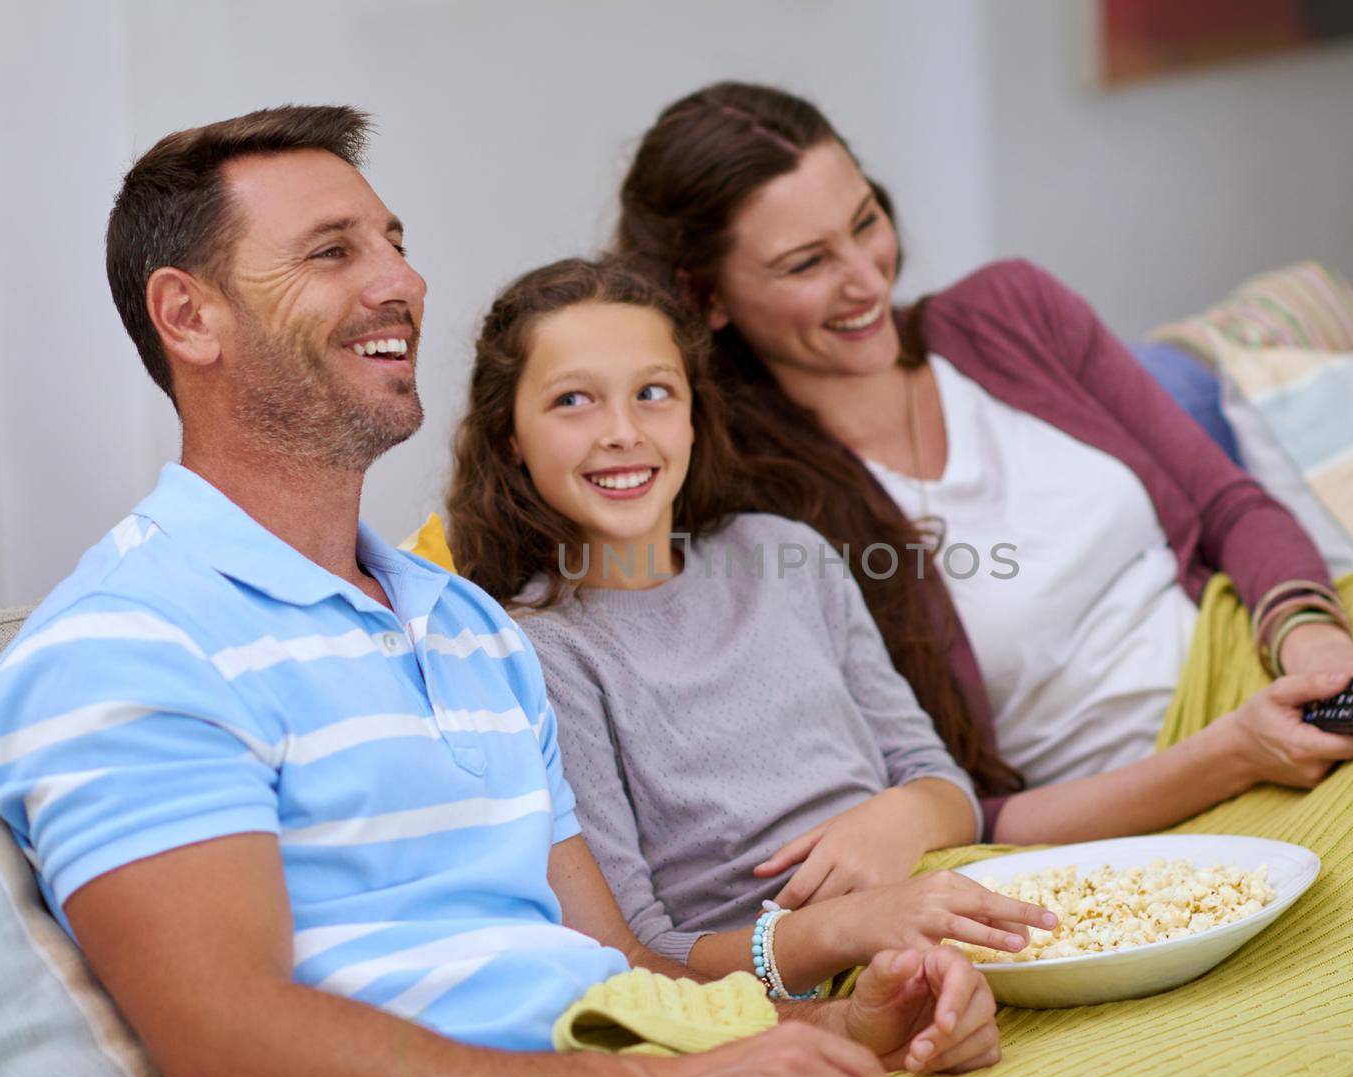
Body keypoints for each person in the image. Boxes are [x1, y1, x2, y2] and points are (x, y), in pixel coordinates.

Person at [0, 105, 1002, 1077]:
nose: (402, 282)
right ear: (187, 316)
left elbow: (622, 965)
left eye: (394, 243)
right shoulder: (123, 644)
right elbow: (230, 1055)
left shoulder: (466, 626)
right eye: (333, 252)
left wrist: (843, 1027)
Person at [612, 81, 1353, 852]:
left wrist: (1319, 650)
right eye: (807, 263)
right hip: (1151, 807)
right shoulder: (760, 514)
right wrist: (1232, 754)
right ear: (704, 297)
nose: (866, 279)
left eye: (865, 222)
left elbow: (1228, 505)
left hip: (1277, 656)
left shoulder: (1011, 312)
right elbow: (967, 814)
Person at [442, 255, 1061, 989]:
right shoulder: (542, 653)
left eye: (653, 392)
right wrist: (842, 927)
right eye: (574, 400)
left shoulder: (783, 552)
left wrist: (899, 819)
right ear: (510, 435)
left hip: (957, 908)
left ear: (694, 412)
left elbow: (943, 782)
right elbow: (646, 952)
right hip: (809, 986)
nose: (622, 431)